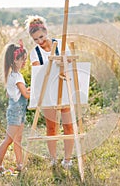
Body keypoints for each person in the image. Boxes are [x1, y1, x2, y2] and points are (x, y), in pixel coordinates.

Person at [24, 15, 73, 169]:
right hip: (47, 93)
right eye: (35, 39)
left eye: (41, 37)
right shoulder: (35, 53)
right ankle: (53, 158)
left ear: (46, 31)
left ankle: (67, 160)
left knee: (68, 126)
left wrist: (63, 60)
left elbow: (71, 63)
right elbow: (38, 72)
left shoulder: (61, 44)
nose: (39, 41)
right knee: (51, 127)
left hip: (64, 90)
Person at [0, 40, 30, 175]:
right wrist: (34, 91)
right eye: (23, 59)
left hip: (18, 111)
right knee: (9, 139)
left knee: (18, 139)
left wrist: (26, 90)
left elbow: (12, 93)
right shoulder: (17, 76)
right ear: (15, 60)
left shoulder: (12, 75)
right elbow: (25, 95)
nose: (25, 62)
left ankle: (20, 164)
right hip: (16, 112)